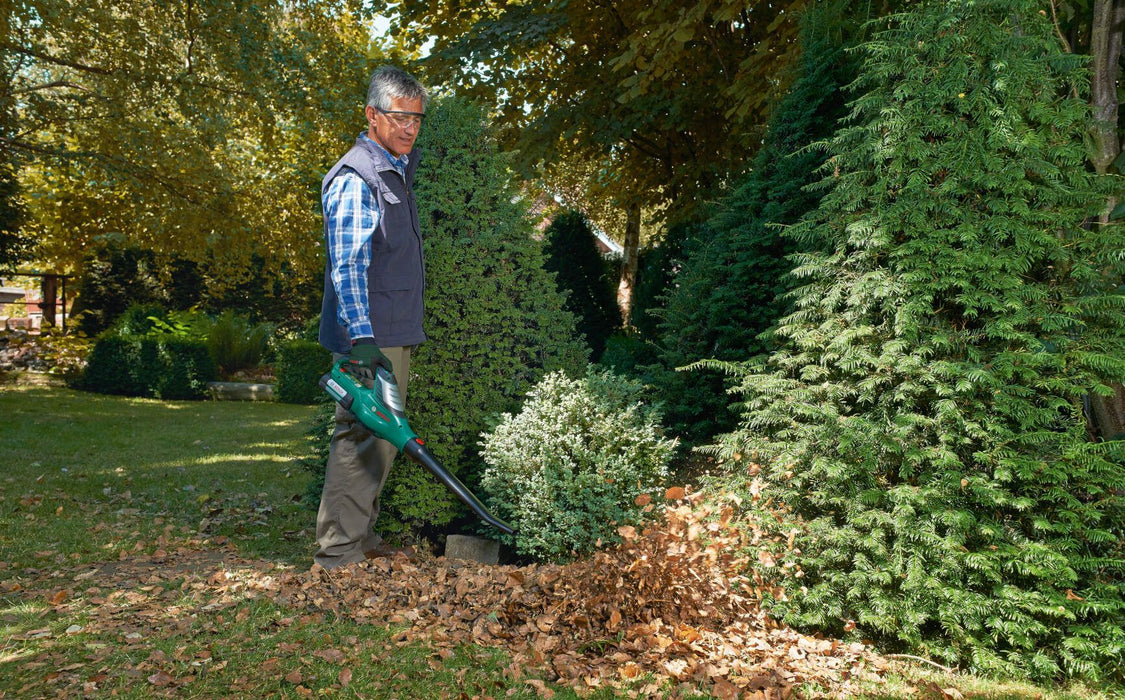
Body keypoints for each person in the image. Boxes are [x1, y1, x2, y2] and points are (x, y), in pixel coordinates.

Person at [315, 66, 429, 568]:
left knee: (381, 442)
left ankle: (358, 542)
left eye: (417, 119)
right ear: (372, 115)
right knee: (361, 434)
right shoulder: (357, 176)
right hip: (371, 334)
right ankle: (337, 555)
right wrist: (362, 338)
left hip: (391, 327)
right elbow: (348, 264)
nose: (409, 128)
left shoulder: (393, 169)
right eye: (400, 117)